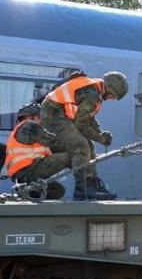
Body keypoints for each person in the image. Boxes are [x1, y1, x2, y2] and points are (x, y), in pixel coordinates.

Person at [40, 71, 128, 200]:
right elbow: (81, 124)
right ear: (108, 89)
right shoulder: (92, 94)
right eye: (113, 95)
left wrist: (99, 132)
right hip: (52, 115)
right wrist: (100, 138)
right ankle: (82, 189)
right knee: (80, 145)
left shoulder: (95, 89)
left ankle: (92, 183)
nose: (112, 98)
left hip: (60, 113)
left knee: (89, 146)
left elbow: (88, 118)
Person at [5, 103, 69, 200]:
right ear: (34, 117)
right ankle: (85, 187)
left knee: (58, 190)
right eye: (41, 117)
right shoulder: (30, 126)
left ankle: (27, 193)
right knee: (72, 155)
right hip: (28, 171)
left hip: (21, 174)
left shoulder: (22, 130)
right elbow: (54, 142)